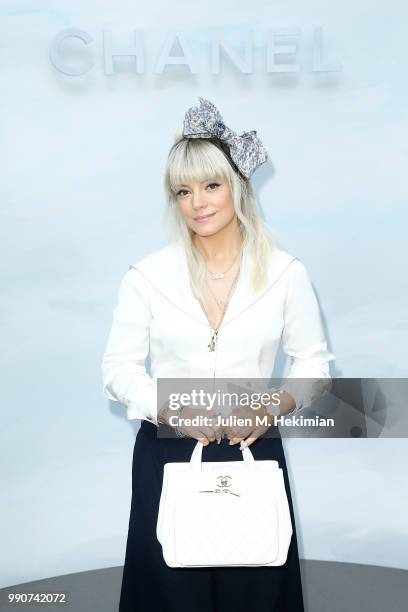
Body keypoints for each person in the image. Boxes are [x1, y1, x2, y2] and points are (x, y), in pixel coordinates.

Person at [101, 97, 335, 612]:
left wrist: (272, 405)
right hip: (167, 451)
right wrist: (170, 408)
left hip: (252, 450)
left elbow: (313, 364)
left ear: (238, 187)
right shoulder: (147, 277)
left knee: (255, 594)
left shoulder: (284, 272)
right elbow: (118, 371)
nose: (198, 202)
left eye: (211, 185)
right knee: (168, 596)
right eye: (183, 191)